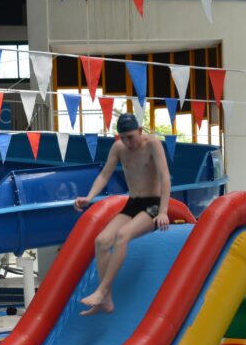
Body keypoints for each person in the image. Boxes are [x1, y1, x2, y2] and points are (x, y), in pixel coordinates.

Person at [73, 113, 172, 316]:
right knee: (101, 240)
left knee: (122, 235)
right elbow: (104, 175)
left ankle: (102, 291)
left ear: (140, 131)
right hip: (133, 203)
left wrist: (163, 211)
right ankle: (106, 299)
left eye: (131, 137)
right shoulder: (119, 148)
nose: (128, 142)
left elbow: (165, 177)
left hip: (152, 204)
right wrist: (89, 197)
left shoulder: (153, 145)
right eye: (123, 137)